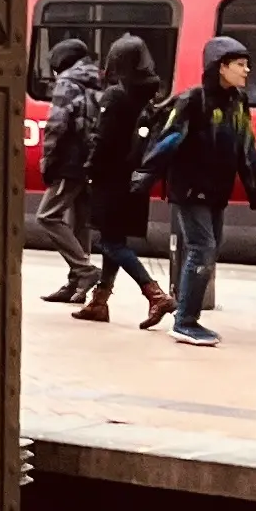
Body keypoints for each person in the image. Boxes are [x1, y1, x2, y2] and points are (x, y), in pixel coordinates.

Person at [148, 34, 256, 344]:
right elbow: (168, 141)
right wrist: (144, 176)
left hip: (217, 188)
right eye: (240, 65)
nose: (246, 71)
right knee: (201, 249)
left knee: (210, 250)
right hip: (189, 187)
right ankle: (185, 320)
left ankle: (188, 317)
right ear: (221, 67)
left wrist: (255, 187)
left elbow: (246, 144)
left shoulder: (238, 102)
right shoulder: (192, 100)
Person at [70, 34, 168, 325]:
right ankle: (99, 302)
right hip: (135, 178)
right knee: (115, 238)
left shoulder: (116, 94)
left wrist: (88, 166)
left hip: (109, 178)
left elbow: (104, 139)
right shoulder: (150, 93)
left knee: (110, 243)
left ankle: (154, 293)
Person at [34, 35, 100, 303]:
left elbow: (56, 125)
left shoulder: (67, 82)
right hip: (91, 161)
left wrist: (48, 160)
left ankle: (84, 270)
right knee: (80, 222)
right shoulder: (98, 80)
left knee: (47, 216)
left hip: (70, 162)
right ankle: (76, 286)